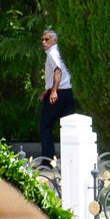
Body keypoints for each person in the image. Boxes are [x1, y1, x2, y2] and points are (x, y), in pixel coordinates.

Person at [39, 29, 76, 160]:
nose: (44, 42)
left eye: (47, 39)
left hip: (59, 94)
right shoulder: (59, 52)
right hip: (67, 93)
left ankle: (47, 161)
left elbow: (58, 71)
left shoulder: (52, 53)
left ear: (54, 41)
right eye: (43, 39)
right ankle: (71, 160)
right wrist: (48, 90)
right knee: (69, 127)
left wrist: (53, 91)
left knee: (45, 127)